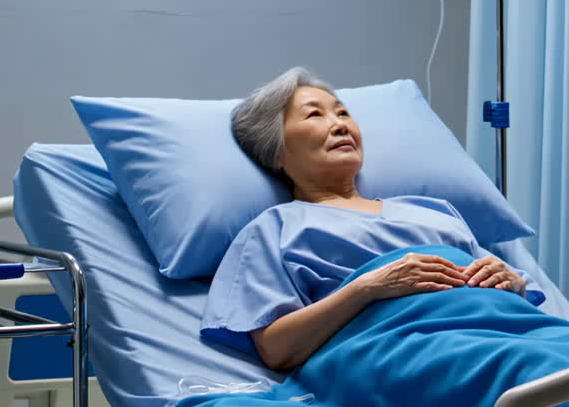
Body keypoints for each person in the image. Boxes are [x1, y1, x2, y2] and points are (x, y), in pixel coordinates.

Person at [201, 67, 543, 372]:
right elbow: (276, 350)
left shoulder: (434, 210)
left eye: (343, 113)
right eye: (314, 115)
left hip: (513, 337)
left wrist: (513, 283)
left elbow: (513, 295)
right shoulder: (276, 228)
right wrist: (368, 288)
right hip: (418, 357)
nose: (339, 125)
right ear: (276, 151)